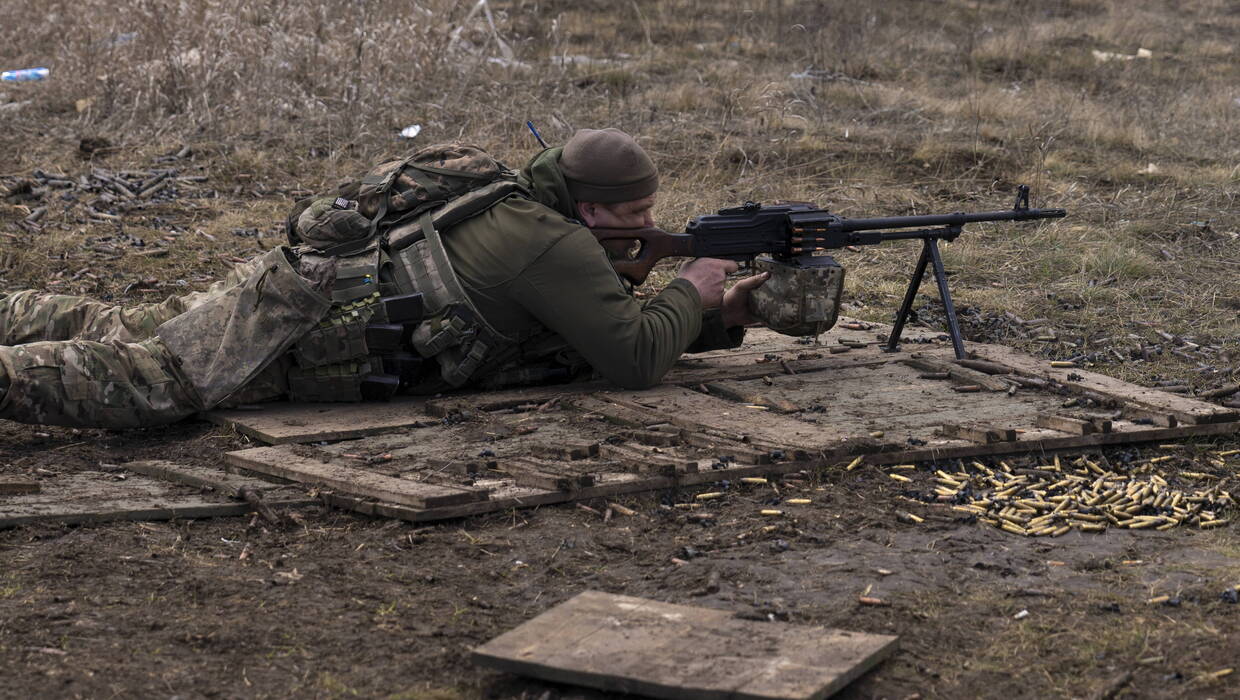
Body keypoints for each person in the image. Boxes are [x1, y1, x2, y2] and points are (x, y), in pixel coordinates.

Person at [0, 128, 768, 429]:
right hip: (304, 336)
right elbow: (632, 359)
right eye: (635, 211)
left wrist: (716, 314)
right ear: (592, 209)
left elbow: (581, 332)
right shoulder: (554, 245)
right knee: (149, 381)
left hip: (295, 283)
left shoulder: (514, 197)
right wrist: (690, 285)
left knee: (125, 326)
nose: (645, 222)